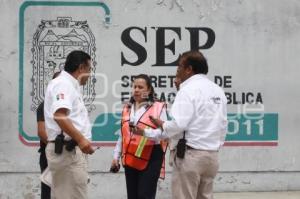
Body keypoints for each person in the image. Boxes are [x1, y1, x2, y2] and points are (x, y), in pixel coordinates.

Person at [134, 50, 227, 199]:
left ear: (189, 69)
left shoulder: (187, 90)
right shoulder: (218, 90)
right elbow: (223, 125)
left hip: (190, 156)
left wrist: (163, 124)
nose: (177, 71)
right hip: (212, 157)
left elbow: (178, 125)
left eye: (179, 67)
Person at [44, 50, 95, 199]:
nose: (90, 74)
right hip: (68, 152)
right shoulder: (63, 84)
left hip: (69, 152)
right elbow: (60, 115)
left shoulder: (68, 85)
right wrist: (81, 139)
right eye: (89, 69)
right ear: (81, 68)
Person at [110, 74, 168, 199]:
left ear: (149, 90)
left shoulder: (158, 107)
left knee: (145, 195)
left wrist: (144, 133)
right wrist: (116, 156)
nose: (136, 90)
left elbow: (164, 133)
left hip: (151, 155)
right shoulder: (127, 108)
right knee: (132, 196)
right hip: (131, 155)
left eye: (140, 87)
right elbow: (123, 135)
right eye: (134, 87)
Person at [36, 71, 60, 199]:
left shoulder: (70, 105)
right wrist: (56, 148)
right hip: (48, 155)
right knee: (48, 191)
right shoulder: (44, 106)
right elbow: (41, 132)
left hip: (68, 156)